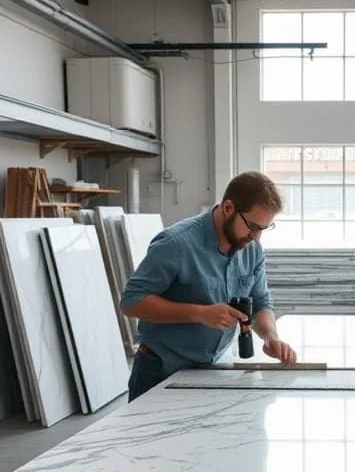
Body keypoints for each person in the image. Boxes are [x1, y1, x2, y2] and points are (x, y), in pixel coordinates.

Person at [121, 171, 298, 401]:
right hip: (160, 372)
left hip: (210, 371)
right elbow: (131, 302)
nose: (256, 237)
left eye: (263, 229)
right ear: (227, 208)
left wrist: (270, 337)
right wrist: (199, 313)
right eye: (252, 226)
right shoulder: (176, 244)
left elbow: (261, 301)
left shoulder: (251, 249)